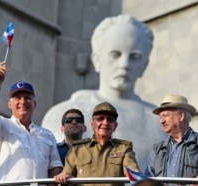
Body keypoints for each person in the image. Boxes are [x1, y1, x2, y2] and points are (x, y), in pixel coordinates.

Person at [42, 14, 166, 170]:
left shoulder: (160, 122)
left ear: (145, 64)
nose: (124, 64)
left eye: (134, 56)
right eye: (115, 54)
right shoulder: (64, 114)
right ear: (97, 59)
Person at [0, 61, 63, 182]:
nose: (23, 102)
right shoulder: (2, 125)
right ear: (10, 104)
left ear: (34, 104)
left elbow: (55, 167)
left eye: (27, 98)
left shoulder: (47, 134)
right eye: (18, 98)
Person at [54, 102, 140, 186]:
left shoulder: (123, 149)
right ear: (92, 124)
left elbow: (133, 171)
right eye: (100, 118)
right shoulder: (77, 149)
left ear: (115, 126)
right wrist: (64, 177)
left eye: (110, 119)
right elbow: (67, 174)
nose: (105, 122)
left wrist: (138, 176)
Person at [145, 94, 198, 179]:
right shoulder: (157, 149)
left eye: (165, 115)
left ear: (181, 116)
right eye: (160, 117)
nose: (162, 121)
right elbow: (149, 180)